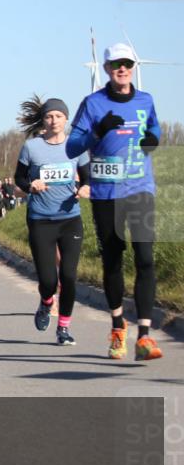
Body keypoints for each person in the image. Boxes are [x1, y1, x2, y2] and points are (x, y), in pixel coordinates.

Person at [66, 43, 163, 361]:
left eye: (127, 63)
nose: (122, 69)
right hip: (107, 192)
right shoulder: (93, 104)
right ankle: (119, 326)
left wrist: (153, 138)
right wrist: (97, 131)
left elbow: (154, 128)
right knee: (113, 259)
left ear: (133, 66)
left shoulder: (145, 99)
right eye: (115, 64)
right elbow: (72, 147)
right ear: (106, 69)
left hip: (140, 188)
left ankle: (145, 336)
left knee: (145, 257)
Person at [15, 96, 90, 345]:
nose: (54, 120)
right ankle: (47, 302)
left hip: (70, 219)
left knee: (68, 276)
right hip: (40, 220)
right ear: (43, 121)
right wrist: (31, 185)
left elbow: (88, 178)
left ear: (66, 119)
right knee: (48, 280)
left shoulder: (77, 146)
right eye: (49, 116)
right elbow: (19, 179)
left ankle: (64, 329)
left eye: (58, 116)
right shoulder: (32, 147)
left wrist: (85, 188)